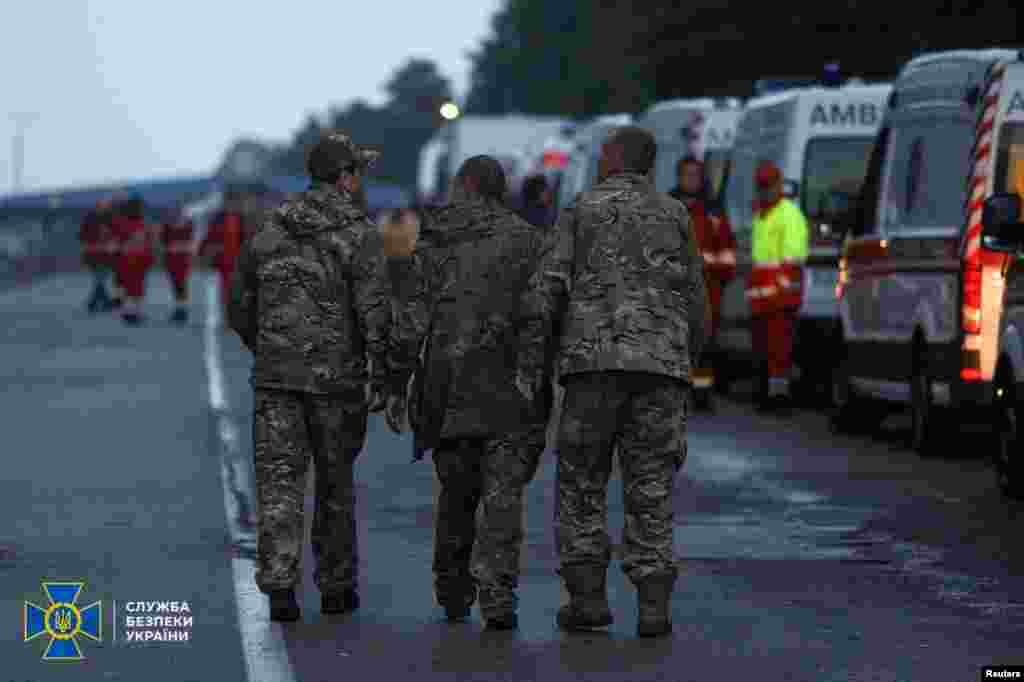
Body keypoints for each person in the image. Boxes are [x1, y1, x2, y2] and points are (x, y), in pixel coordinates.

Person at [518, 126, 708, 637]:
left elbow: (546, 292)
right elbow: (695, 297)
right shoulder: (675, 215)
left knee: (581, 483)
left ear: (614, 159)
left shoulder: (581, 210)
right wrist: (686, 357)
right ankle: (652, 605)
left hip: (592, 369)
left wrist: (534, 365)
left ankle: (588, 599)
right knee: (651, 485)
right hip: (659, 369)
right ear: (648, 166)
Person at [227, 131, 408, 622]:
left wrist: (267, 347)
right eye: (357, 173)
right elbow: (375, 313)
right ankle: (336, 587)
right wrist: (385, 376)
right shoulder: (358, 234)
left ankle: (280, 586)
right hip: (336, 383)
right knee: (335, 484)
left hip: (276, 380)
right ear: (344, 178)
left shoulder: (268, 231)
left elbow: (238, 304)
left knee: (279, 484)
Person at [380, 156, 551, 631]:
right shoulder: (530, 241)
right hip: (512, 390)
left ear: (465, 187)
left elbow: (412, 321)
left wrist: (394, 384)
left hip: (447, 390)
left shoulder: (437, 239)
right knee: (503, 497)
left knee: (456, 494)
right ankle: (498, 595)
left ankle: (453, 588)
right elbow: (543, 316)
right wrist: (539, 378)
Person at [668, 157, 737, 408]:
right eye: (687, 174)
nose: (691, 179)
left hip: (708, 288)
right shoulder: (667, 205)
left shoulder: (713, 209)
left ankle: (702, 393)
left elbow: (727, 247)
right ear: (679, 176)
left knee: (705, 344)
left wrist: (722, 274)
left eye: (695, 174)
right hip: (674, 290)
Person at [745, 160, 809, 411]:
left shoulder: (788, 215)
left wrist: (775, 288)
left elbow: (791, 260)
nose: (765, 191)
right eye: (761, 186)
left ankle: (779, 399)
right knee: (764, 349)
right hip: (764, 298)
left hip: (780, 298)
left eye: (769, 186)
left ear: (779, 185)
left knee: (778, 352)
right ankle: (767, 395)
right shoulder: (761, 215)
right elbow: (760, 261)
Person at [113, 196, 155, 325]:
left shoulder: (122, 223)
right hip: (139, 258)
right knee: (138, 287)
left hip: (126, 258)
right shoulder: (143, 224)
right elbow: (148, 243)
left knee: (128, 286)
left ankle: (128, 311)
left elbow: (117, 243)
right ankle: (135, 312)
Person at [201, 194, 244, 312]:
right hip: (220, 260)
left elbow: (242, 238)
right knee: (223, 289)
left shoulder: (239, 218)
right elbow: (209, 237)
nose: (230, 206)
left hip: (235, 259)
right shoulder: (217, 219)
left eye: (232, 202)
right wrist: (204, 251)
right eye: (228, 202)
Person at [79, 199, 116, 314]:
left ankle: (96, 302)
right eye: (102, 205)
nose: (104, 207)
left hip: (106, 253)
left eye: (106, 205)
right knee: (99, 278)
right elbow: (82, 235)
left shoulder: (112, 219)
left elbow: (117, 234)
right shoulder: (89, 219)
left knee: (100, 278)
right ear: (97, 206)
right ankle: (98, 302)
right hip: (93, 253)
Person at [161, 207, 195, 325]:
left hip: (182, 258)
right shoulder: (168, 225)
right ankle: (180, 309)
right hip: (172, 259)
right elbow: (163, 241)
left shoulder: (188, 224)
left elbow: (190, 240)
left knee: (181, 284)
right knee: (176, 284)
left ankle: (182, 310)